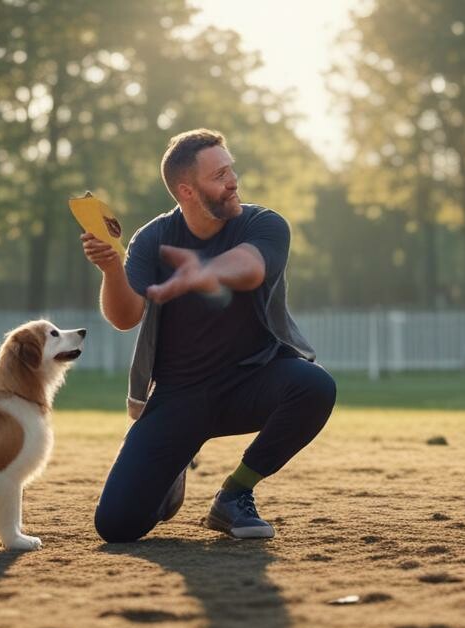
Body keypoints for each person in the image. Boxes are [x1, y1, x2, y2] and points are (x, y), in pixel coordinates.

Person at [82, 128, 336, 543]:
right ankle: (176, 462)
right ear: (187, 190)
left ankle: (234, 495)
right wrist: (112, 269)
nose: (233, 181)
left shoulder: (264, 224)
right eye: (219, 176)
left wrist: (201, 271)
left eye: (231, 170)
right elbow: (125, 317)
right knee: (116, 526)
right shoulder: (154, 238)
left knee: (315, 386)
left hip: (251, 382)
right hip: (179, 395)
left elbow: (252, 268)